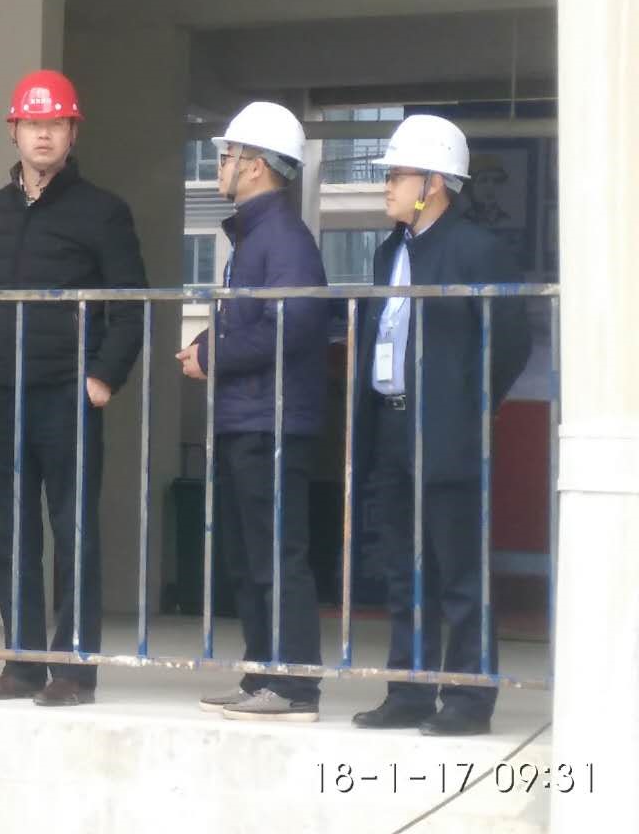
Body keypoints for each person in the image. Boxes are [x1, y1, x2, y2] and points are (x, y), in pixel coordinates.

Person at [0, 70, 148, 707]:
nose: (44, 134)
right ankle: (23, 664)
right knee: (10, 537)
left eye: (56, 123)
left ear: (73, 133)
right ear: (13, 131)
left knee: (73, 534)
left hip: (67, 394)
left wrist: (103, 377)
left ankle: (73, 669)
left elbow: (131, 304)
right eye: (33, 124)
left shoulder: (102, 211)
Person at [351, 114, 531, 737]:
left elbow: (510, 341)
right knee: (404, 570)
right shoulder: (390, 251)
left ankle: (467, 701)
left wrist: (471, 404)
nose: (387, 187)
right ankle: (409, 691)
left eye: (397, 176)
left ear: (433, 183)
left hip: (449, 432)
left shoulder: (476, 249)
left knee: (460, 571)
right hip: (393, 426)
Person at [177, 101, 328, 723]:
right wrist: (209, 345)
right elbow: (255, 323)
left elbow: (292, 325)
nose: (221, 165)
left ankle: (294, 685)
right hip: (251, 417)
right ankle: (264, 673)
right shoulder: (257, 235)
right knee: (248, 558)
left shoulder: (282, 237)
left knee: (276, 556)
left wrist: (211, 355)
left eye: (228, 155)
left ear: (257, 165)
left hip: (272, 422)